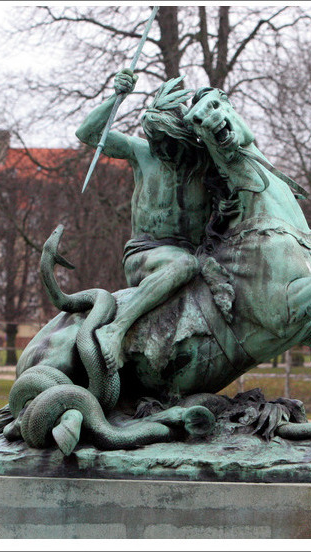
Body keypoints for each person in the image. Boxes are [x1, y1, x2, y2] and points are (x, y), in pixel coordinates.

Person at [76, 69, 215, 372]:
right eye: (154, 138)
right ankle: (116, 329)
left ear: (181, 134)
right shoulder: (142, 152)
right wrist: (116, 97)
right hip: (145, 254)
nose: (159, 146)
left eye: (165, 139)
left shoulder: (205, 162)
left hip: (194, 256)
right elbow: (87, 134)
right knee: (186, 264)